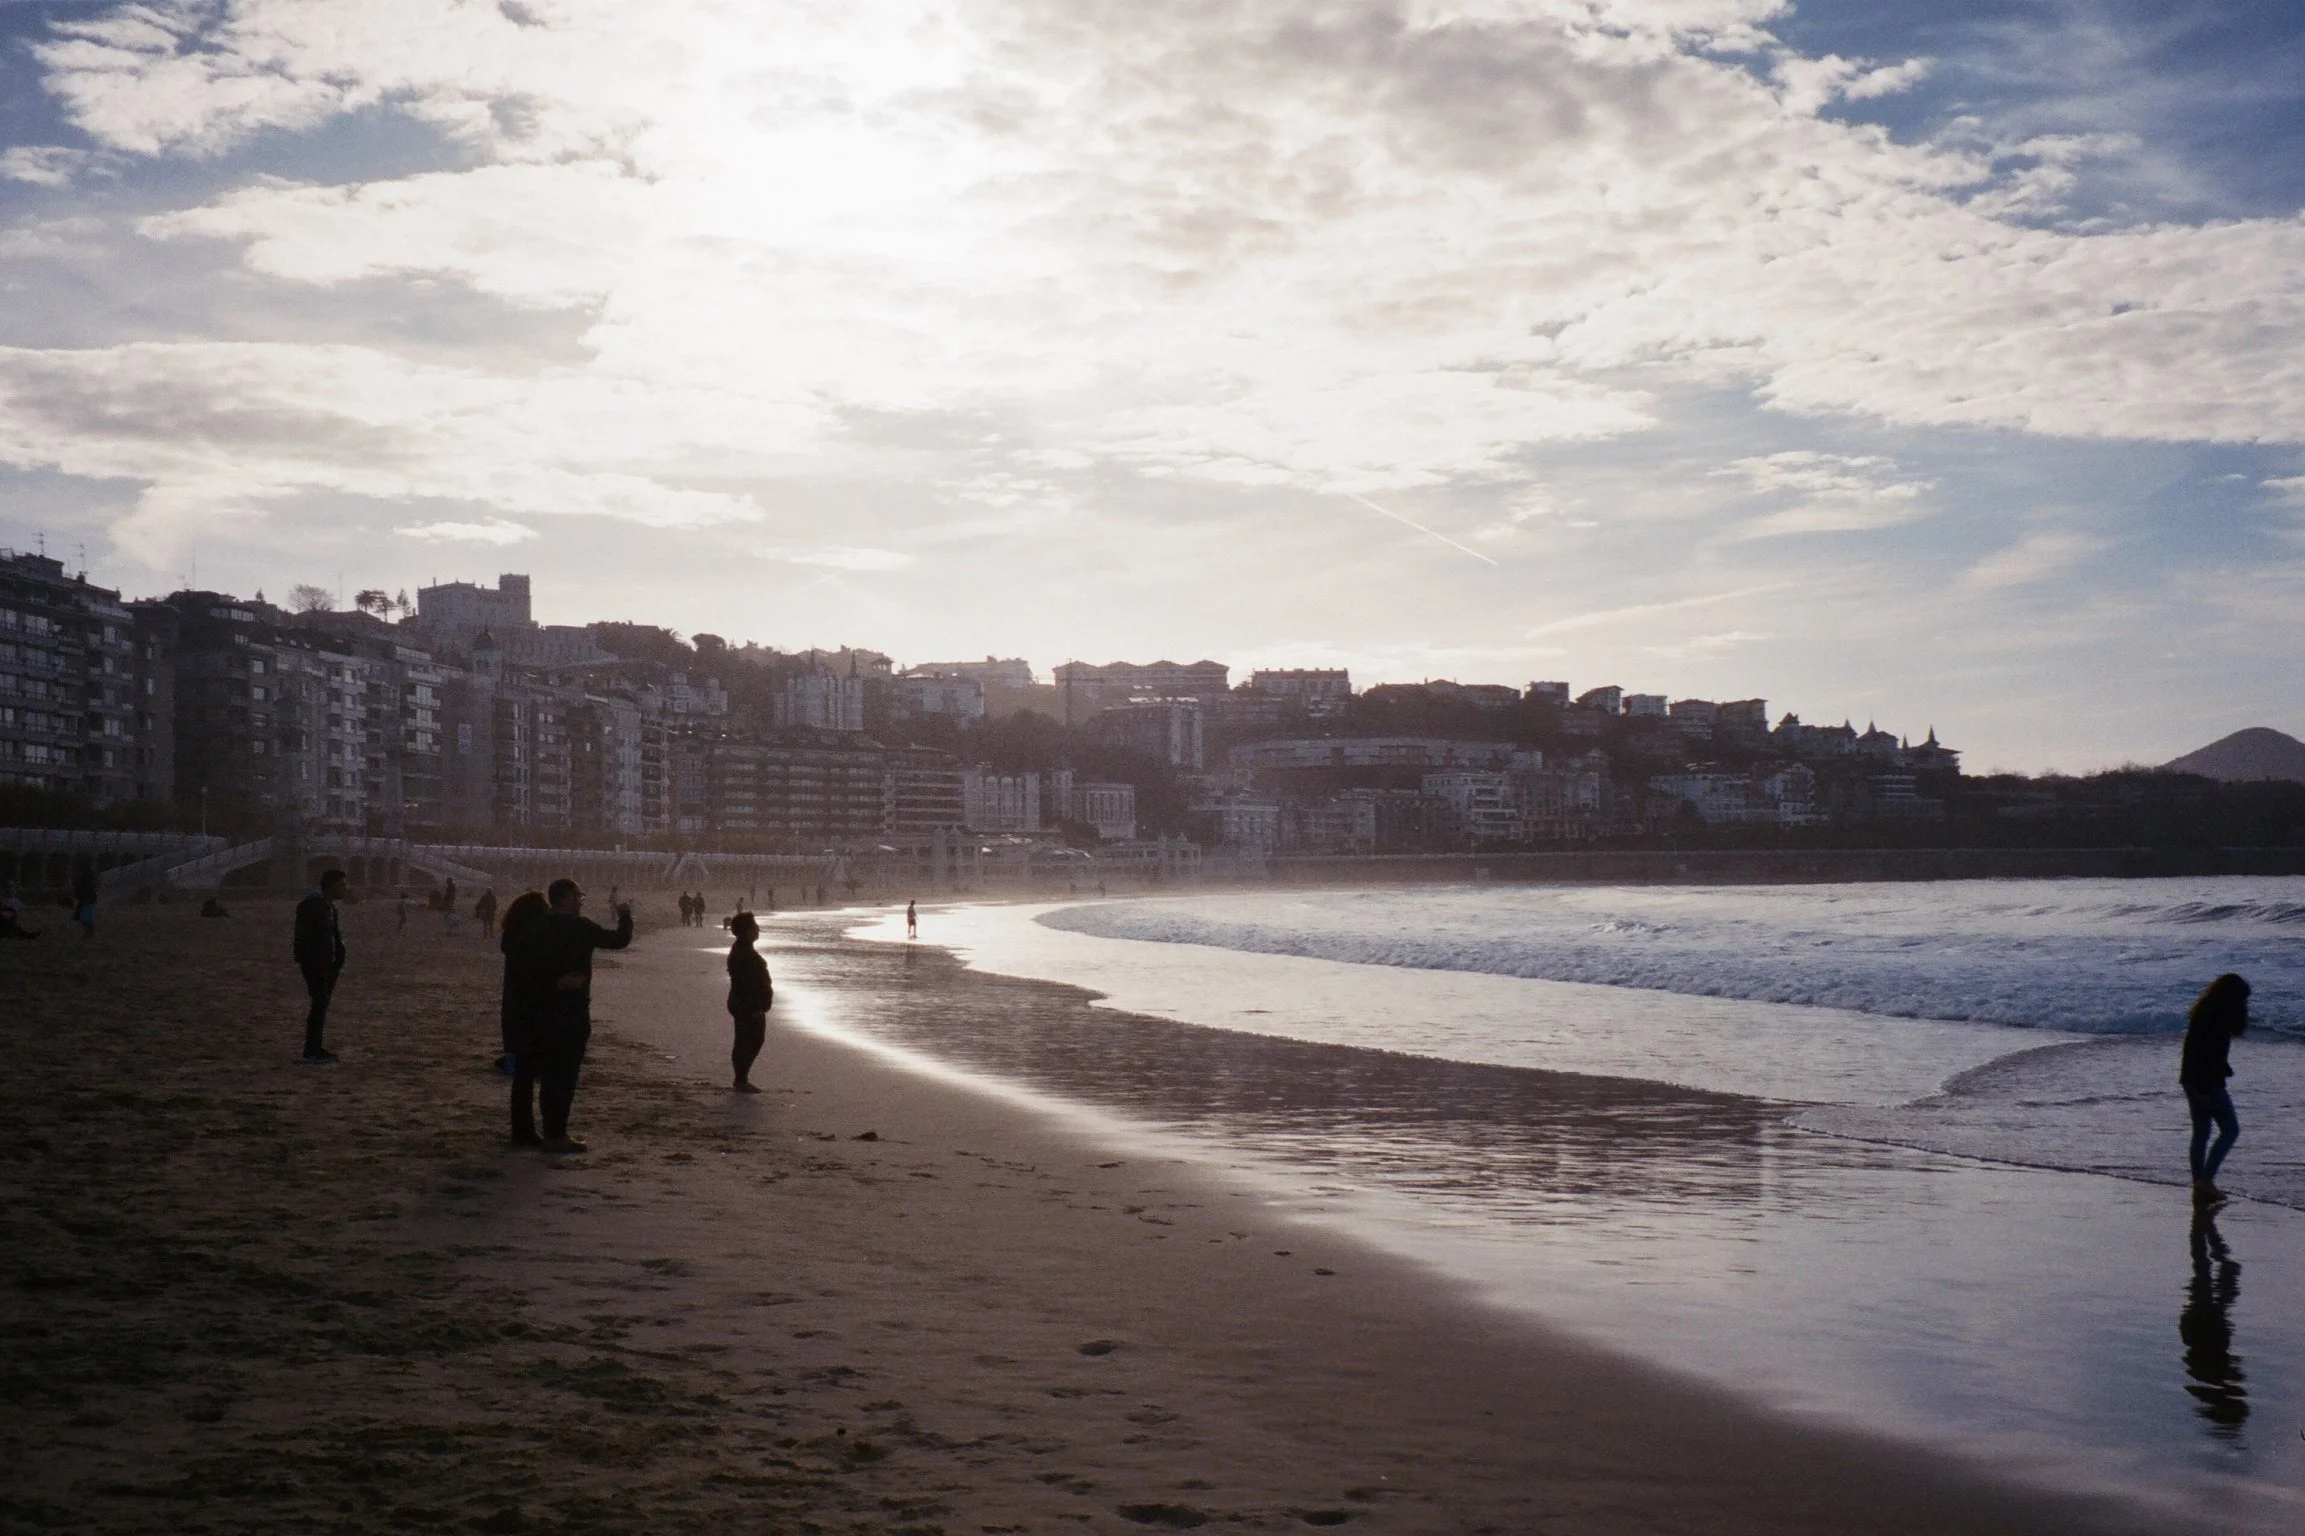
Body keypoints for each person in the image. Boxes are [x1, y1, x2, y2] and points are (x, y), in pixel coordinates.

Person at [525, 878, 632, 1154]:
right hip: (571, 1011)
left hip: (541, 1010)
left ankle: (550, 1131)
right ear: (565, 898)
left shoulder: (538, 928)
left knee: (550, 1074)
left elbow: (526, 969)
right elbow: (618, 940)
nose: (580, 901)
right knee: (565, 1074)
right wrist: (625, 916)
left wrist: (551, 983)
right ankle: (556, 1134)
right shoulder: (579, 927)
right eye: (577, 897)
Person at [2180, 972, 2250, 1204]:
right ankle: (2206, 1181)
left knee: (2201, 1132)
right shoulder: (2219, 1020)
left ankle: (2199, 1183)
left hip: (2190, 1079)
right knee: (2230, 1130)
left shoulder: (2202, 1013)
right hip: (2207, 1082)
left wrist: (2223, 1066)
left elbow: (2196, 1051)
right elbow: (2208, 1055)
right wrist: (2219, 1070)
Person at [499, 890, 552, 1140]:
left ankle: (522, 1128)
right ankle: (525, 1131)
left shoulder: (513, 937)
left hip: (513, 1011)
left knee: (522, 1076)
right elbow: (536, 977)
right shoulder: (531, 941)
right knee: (529, 1073)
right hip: (529, 1012)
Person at [293, 869, 349, 1064]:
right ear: (331, 885)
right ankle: (311, 1051)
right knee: (319, 1003)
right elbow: (305, 938)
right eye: (342, 884)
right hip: (316, 963)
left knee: (321, 1004)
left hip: (327, 962)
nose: (345, 888)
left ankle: (315, 1048)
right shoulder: (313, 906)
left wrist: (338, 957)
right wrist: (310, 960)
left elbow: (332, 936)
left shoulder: (328, 907)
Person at [725, 911, 772, 1093]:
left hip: (745, 1002)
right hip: (745, 1003)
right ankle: (741, 1080)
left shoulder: (744, 950)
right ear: (745, 931)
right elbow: (746, 983)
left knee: (752, 1040)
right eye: (754, 927)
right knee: (747, 1041)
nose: (757, 930)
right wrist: (754, 1006)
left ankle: (741, 1079)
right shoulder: (742, 953)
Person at [71, 863, 98, 938]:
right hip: (85, 898)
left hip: (86, 898)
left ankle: (89, 933)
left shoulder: (85, 875)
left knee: (85, 917)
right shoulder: (88, 874)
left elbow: (85, 886)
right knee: (84, 916)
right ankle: (88, 933)